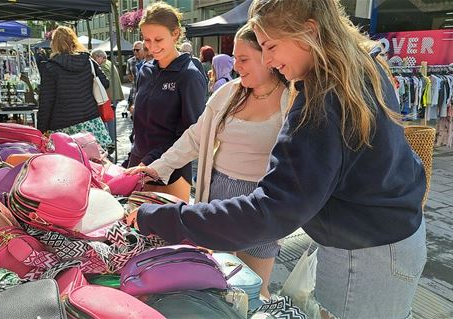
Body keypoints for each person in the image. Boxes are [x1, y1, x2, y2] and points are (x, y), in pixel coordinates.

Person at [132, 0, 427, 317]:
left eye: (270, 47)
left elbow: (273, 209)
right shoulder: (358, 64)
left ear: (309, 31)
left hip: (367, 256)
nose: (269, 61)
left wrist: (164, 218)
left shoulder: (323, 98)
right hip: (386, 240)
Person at [128, 24, 288, 298]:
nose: (236, 66)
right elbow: (195, 137)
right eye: (234, 58)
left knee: (253, 292)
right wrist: (158, 168)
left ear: (268, 58)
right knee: (220, 285)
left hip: (261, 202)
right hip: (217, 196)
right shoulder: (228, 94)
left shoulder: (292, 99)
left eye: (243, 59)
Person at [128, 2, 207, 202]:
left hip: (171, 174)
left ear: (175, 34)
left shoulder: (189, 76)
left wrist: (151, 159)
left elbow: (191, 135)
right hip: (138, 168)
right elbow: (140, 124)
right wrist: (133, 157)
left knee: (164, 233)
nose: (152, 46)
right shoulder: (145, 70)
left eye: (158, 39)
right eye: (147, 39)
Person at [38, 26, 111, 147]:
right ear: (74, 41)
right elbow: (105, 82)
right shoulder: (88, 61)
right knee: (95, 163)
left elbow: (46, 101)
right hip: (91, 123)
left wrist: (41, 129)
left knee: (67, 164)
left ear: (54, 44)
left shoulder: (50, 67)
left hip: (62, 127)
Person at [91, 49, 124, 150]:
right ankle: (112, 141)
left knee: (109, 119)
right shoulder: (109, 63)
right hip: (114, 95)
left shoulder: (103, 66)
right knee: (110, 119)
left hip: (109, 96)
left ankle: (111, 142)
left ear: (99, 57)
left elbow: (104, 83)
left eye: (94, 58)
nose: (93, 61)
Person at [126, 41, 145, 114]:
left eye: (137, 50)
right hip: (135, 92)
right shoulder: (130, 61)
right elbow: (129, 76)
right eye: (133, 50)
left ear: (143, 49)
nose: (135, 52)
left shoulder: (149, 60)